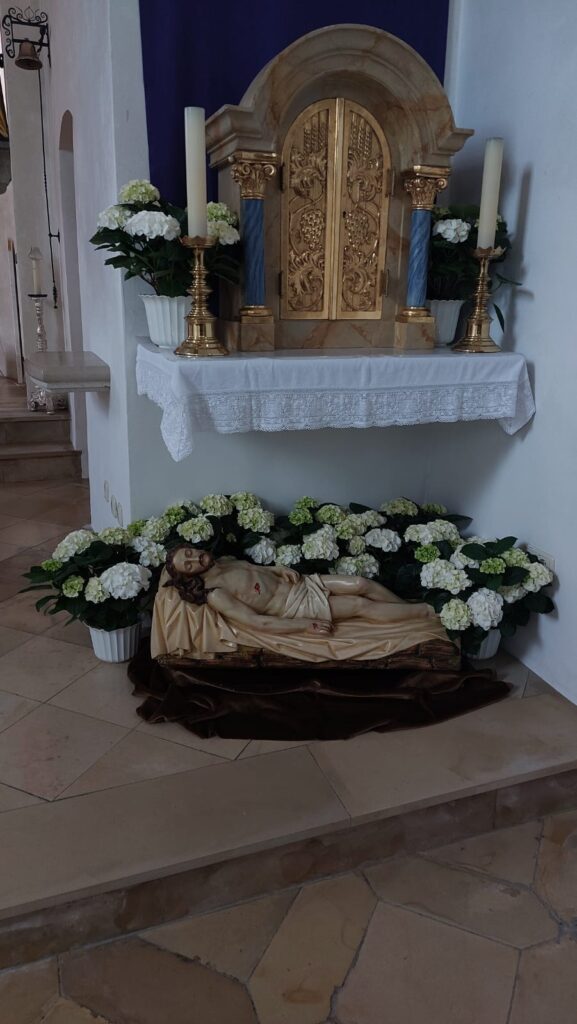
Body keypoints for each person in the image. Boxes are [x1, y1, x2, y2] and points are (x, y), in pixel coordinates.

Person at [152, 545, 450, 663]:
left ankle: (404, 609)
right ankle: (428, 613)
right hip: (296, 607)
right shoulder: (216, 593)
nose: (194, 559)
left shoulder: (224, 561)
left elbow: (257, 570)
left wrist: (278, 569)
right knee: (360, 605)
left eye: (189, 553)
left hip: (302, 584)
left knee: (361, 583)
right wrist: (304, 625)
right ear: (190, 576)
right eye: (188, 565)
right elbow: (257, 622)